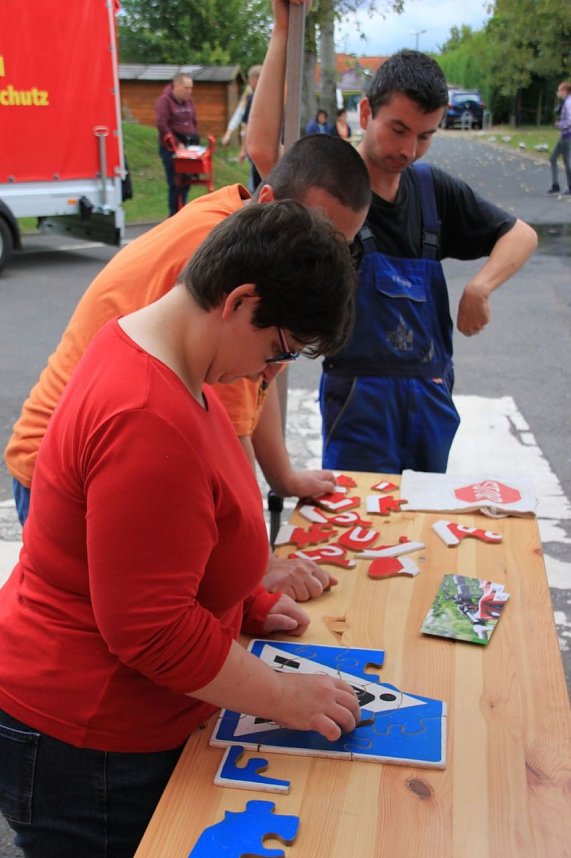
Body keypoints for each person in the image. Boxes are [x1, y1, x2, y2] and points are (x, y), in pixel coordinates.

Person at [0, 201, 361, 858]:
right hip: (86, 741)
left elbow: (165, 547)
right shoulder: (146, 413)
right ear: (240, 300)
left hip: (115, 724)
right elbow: (151, 628)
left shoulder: (167, 360)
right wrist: (285, 696)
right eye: (276, 349)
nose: (265, 374)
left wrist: (244, 601)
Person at [4, 130, 371, 601]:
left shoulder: (252, 244)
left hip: (99, 453)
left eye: (340, 246)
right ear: (269, 203)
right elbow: (228, 438)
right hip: (63, 470)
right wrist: (256, 566)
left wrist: (283, 479)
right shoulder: (237, 272)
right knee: (115, 623)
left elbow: (256, 386)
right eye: (317, 235)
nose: (324, 261)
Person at [246, 25, 538, 475]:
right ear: (366, 113)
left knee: (421, 528)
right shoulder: (333, 184)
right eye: (398, 129)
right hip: (358, 402)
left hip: (430, 397)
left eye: (425, 136)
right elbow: (264, 149)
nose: (408, 149)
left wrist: (480, 288)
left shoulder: (433, 190)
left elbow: (521, 235)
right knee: (358, 522)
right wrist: (283, 34)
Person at [156, 71, 200, 216]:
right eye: (186, 88)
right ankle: (173, 214)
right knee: (175, 183)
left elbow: (193, 121)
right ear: (177, 85)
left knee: (187, 182)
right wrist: (175, 143)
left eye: (191, 88)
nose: (189, 92)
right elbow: (162, 124)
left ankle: (183, 211)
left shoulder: (190, 102)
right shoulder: (165, 101)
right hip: (172, 147)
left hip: (189, 143)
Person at [546, 81, 571, 195]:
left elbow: (570, 120)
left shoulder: (569, 103)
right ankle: (555, 185)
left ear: (565, 91)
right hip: (564, 136)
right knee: (553, 158)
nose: (557, 92)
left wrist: (559, 125)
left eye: (559, 90)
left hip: (568, 136)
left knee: (568, 162)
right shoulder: (565, 101)